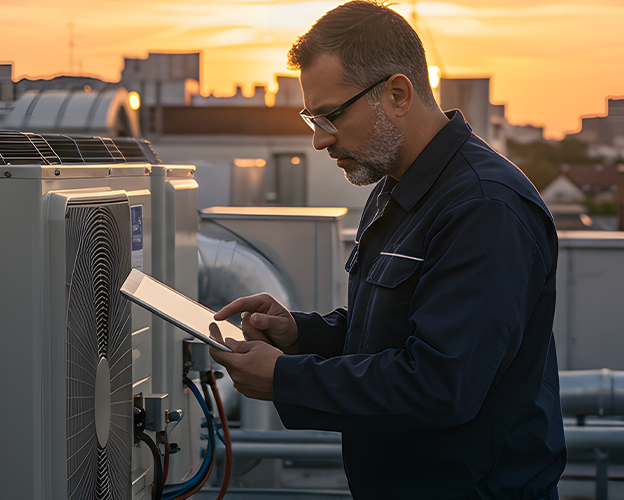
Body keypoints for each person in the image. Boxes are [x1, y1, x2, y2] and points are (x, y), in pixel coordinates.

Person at [205, 1, 565, 498]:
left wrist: (286, 380)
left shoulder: (485, 207)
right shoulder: (396, 184)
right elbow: (392, 334)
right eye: (312, 118)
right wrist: (299, 334)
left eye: (331, 116)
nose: (319, 140)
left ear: (397, 93)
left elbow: (440, 385)